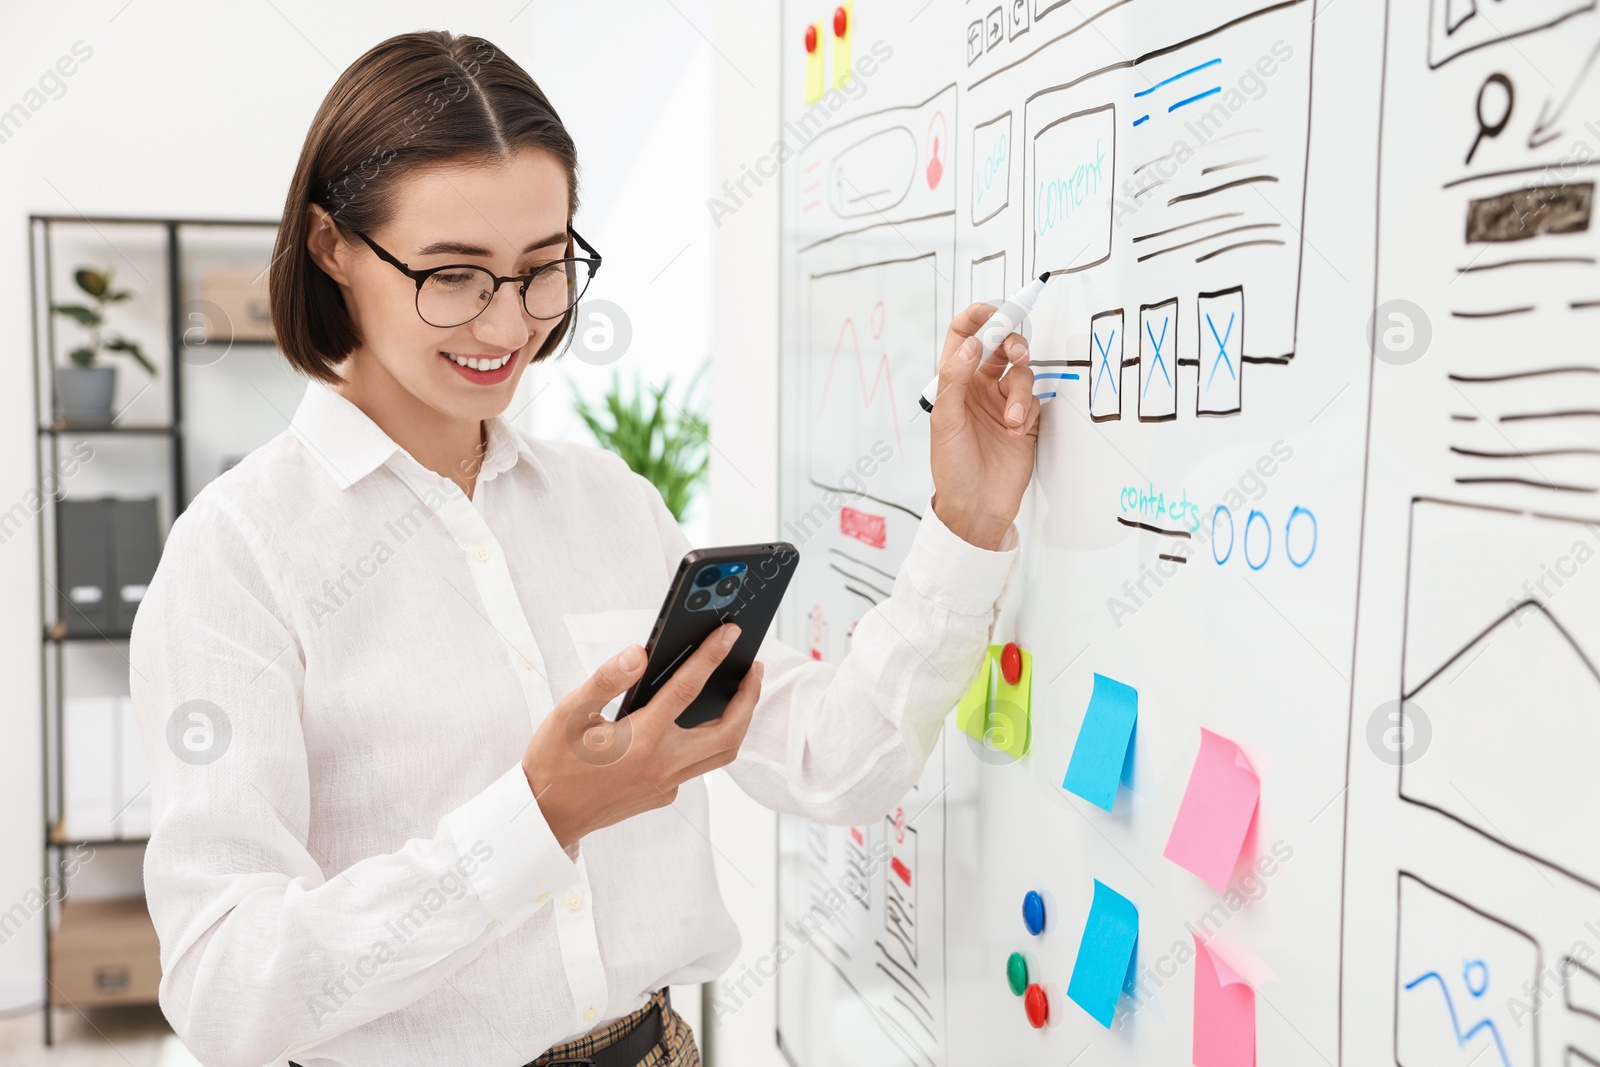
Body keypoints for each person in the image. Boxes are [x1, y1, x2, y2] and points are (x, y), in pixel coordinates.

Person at [129, 29, 1039, 1067]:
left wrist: (966, 524)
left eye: (542, 268)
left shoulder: (606, 502)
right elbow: (225, 986)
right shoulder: (237, 555)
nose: (508, 322)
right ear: (333, 245)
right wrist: (541, 814)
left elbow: (838, 759)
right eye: (454, 275)